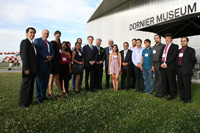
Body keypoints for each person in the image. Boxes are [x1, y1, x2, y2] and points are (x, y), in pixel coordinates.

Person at [18, 27, 37, 108]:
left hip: (33, 69)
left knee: (31, 86)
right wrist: (26, 68)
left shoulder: (32, 44)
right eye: (31, 32)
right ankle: (22, 103)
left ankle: (29, 101)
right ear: (27, 33)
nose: (32, 34)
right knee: (25, 86)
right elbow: (24, 56)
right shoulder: (25, 42)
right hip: (28, 68)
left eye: (33, 33)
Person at [34, 29, 54, 103]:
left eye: (47, 33)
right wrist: (46, 57)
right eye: (45, 33)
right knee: (39, 82)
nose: (46, 35)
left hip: (48, 65)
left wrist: (50, 57)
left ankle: (43, 96)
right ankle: (38, 97)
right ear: (42, 33)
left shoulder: (49, 43)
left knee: (45, 82)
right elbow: (38, 50)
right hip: (41, 64)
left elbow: (52, 52)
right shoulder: (37, 40)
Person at [176, 37, 196, 103]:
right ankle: (182, 97)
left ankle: (188, 99)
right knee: (180, 85)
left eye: (184, 41)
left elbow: (193, 60)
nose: (183, 42)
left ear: (188, 42)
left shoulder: (191, 50)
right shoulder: (179, 51)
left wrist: (189, 68)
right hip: (179, 69)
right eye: (181, 41)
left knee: (187, 85)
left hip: (186, 70)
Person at [160, 33, 178, 100]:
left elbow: (173, 57)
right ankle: (165, 93)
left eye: (168, 38)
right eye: (166, 38)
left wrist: (165, 63)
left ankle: (172, 95)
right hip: (163, 66)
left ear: (171, 39)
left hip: (169, 66)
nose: (167, 40)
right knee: (164, 81)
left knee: (171, 81)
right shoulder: (163, 47)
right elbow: (161, 56)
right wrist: (162, 63)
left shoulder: (175, 46)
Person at [48, 31, 64, 99]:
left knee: (54, 77)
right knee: (53, 77)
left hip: (58, 62)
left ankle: (51, 92)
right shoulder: (52, 43)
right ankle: (58, 93)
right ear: (54, 35)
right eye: (57, 34)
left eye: (59, 34)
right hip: (53, 61)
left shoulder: (60, 44)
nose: (58, 35)